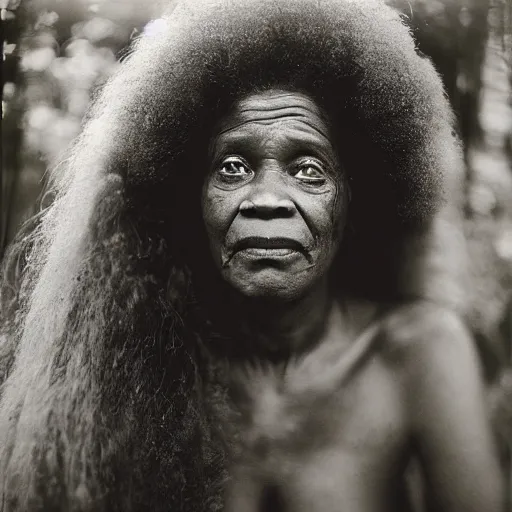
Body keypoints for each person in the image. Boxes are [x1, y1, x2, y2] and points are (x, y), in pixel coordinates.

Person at [0, 0, 504, 511]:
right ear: (186, 195)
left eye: (308, 170)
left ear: (358, 196)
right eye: (233, 168)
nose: (266, 200)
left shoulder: (417, 353)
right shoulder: (143, 358)